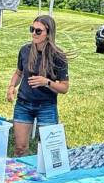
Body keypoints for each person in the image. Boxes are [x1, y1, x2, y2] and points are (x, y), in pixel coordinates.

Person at [6, 15, 70, 156]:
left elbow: (64, 88)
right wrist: (11, 87)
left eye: (38, 31)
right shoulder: (25, 50)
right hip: (23, 104)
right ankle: (25, 175)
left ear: (48, 33)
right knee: (20, 148)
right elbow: (18, 73)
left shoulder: (58, 56)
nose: (33, 33)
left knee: (50, 151)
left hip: (47, 106)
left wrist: (46, 82)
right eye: (32, 29)